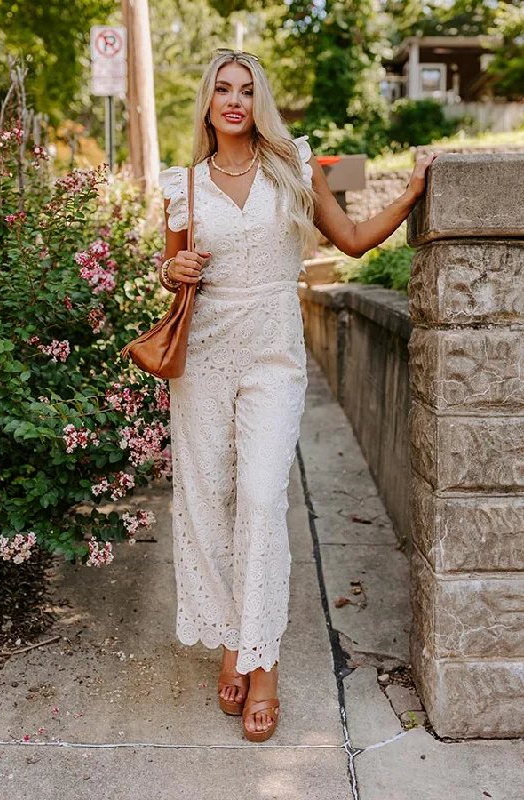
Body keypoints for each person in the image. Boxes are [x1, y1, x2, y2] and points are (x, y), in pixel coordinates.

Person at [158, 49, 433, 743]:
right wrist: (173, 266)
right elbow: (169, 267)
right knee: (207, 500)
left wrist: (408, 194)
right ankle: (231, 639)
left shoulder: (294, 164)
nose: (232, 100)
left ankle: (265, 663)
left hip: (274, 356)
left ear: (259, 103)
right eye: (221, 88)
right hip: (206, 356)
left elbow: (349, 239)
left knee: (259, 497)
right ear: (207, 101)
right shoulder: (183, 183)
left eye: (245, 91)